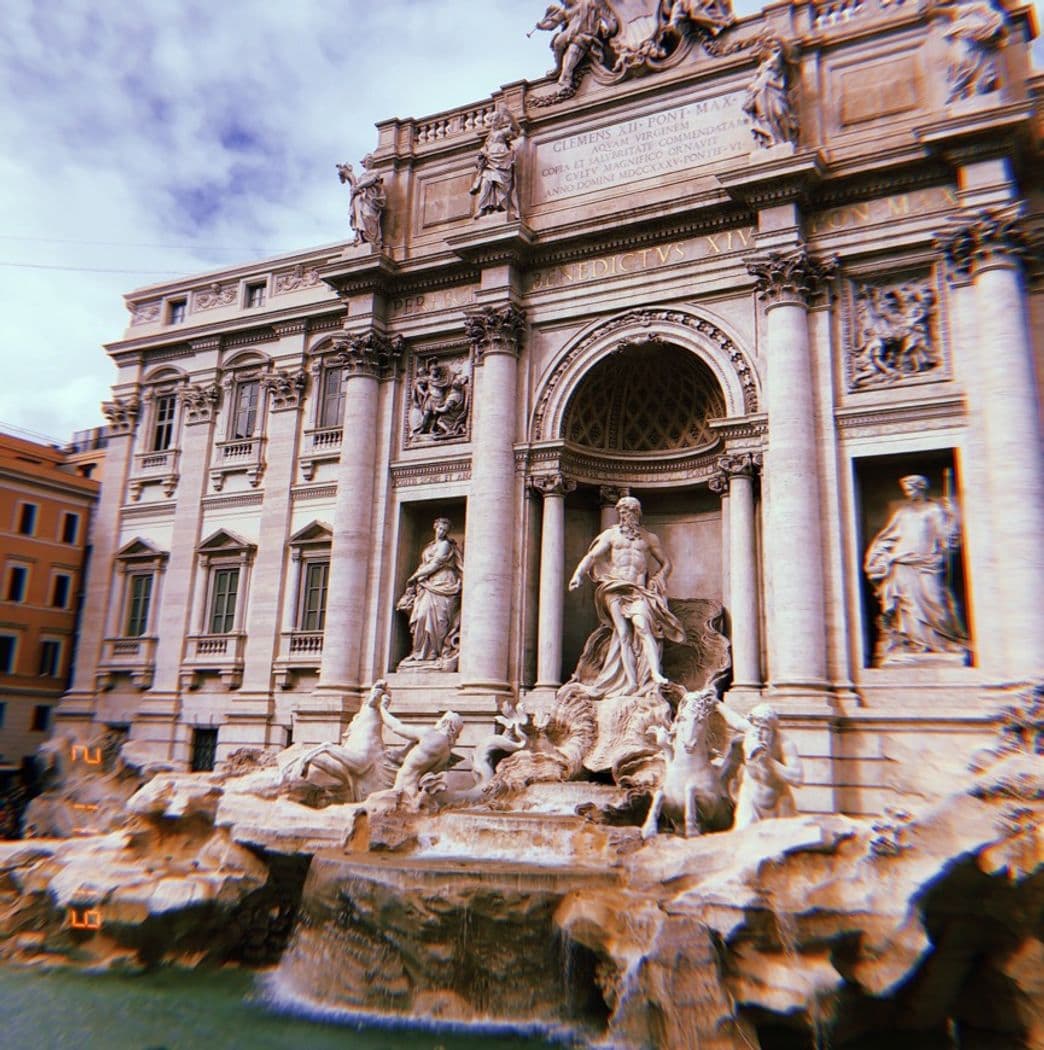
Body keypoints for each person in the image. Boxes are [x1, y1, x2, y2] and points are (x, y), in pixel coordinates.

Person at [568, 496, 685, 698]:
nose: (625, 514)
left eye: (629, 510)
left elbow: (666, 563)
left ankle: (655, 673)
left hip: (638, 590)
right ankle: (631, 682)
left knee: (643, 627)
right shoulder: (611, 535)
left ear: (637, 512)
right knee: (622, 634)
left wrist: (658, 578)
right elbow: (593, 557)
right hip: (615, 587)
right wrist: (577, 574)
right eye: (622, 511)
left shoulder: (649, 538)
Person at [864, 474, 968, 664]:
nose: (908, 493)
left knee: (935, 600)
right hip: (902, 561)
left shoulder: (934, 509)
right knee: (907, 605)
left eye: (911, 489)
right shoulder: (902, 513)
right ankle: (912, 644)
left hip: (928, 561)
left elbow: (947, 537)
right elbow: (888, 536)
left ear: (921, 488)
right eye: (906, 490)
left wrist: (952, 516)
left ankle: (943, 641)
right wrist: (880, 555)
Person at [717, 702, 803, 829]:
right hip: (750, 799)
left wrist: (768, 761)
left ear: (773, 729)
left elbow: (798, 779)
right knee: (743, 836)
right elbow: (734, 720)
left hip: (779, 802)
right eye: (756, 726)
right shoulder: (750, 731)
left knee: (783, 843)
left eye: (764, 729)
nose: (758, 732)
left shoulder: (784, 743)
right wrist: (717, 704)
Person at [396, 518, 464, 670]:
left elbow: (436, 564)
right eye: (440, 529)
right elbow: (425, 564)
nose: (442, 532)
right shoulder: (430, 546)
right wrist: (418, 578)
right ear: (435, 528)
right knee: (421, 616)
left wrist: (415, 576)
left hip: (444, 582)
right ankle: (420, 653)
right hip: (428, 584)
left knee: (439, 620)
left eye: (445, 530)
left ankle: (434, 652)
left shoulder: (446, 545)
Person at [742, 39, 797, 148]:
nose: (758, 54)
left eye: (759, 50)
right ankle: (773, 138)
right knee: (764, 116)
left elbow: (785, 56)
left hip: (773, 92)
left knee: (778, 113)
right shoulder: (763, 67)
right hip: (762, 93)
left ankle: (781, 139)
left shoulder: (775, 60)